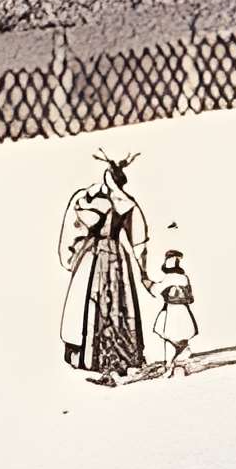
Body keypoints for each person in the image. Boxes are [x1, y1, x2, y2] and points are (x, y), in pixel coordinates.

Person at [58, 153, 152, 384]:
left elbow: (76, 230)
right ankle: (110, 359)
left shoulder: (91, 200)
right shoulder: (119, 202)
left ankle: (104, 360)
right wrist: (143, 270)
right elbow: (138, 240)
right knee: (108, 303)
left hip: (97, 255)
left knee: (101, 304)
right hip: (111, 256)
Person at [151, 248, 200, 374]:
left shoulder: (170, 278)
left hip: (173, 311)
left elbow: (155, 291)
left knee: (171, 337)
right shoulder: (184, 278)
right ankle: (173, 364)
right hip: (182, 310)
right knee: (181, 338)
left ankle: (170, 365)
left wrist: (146, 281)